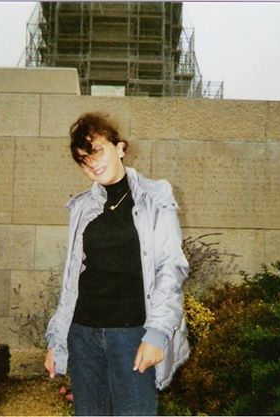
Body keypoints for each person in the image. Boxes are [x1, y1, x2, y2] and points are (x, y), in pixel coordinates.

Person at [44, 112, 190, 416]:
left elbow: (170, 268)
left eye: (97, 151)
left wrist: (157, 334)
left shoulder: (155, 197)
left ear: (120, 148)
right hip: (83, 335)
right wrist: (57, 340)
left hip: (132, 335)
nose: (92, 163)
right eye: (83, 158)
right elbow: (72, 280)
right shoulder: (82, 206)